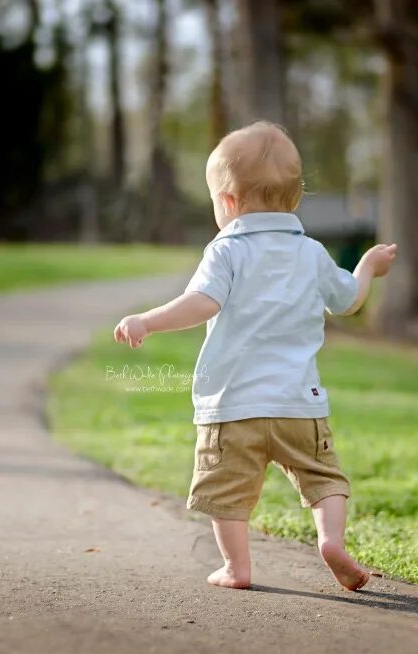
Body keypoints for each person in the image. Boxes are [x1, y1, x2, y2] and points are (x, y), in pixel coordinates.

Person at [113, 121, 397, 590]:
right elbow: (349, 301)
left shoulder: (224, 251)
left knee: (226, 492)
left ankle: (236, 568)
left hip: (234, 406)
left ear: (226, 202)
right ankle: (331, 540)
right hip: (299, 405)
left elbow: (202, 303)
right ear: (295, 197)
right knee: (324, 478)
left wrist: (147, 320)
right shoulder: (311, 252)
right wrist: (367, 266)